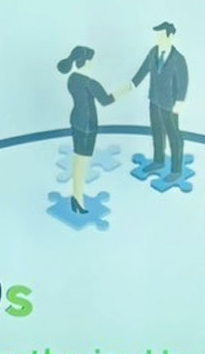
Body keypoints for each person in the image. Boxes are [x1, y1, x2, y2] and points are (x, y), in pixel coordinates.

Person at [118, 21, 189, 181]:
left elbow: (183, 83)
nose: (158, 39)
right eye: (157, 36)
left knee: (174, 135)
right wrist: (131, 85)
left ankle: (176, 170)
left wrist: (180, 103)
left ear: (170, 36)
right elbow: (142, 71)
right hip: (154, 100)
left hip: (170, 104)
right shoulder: (153, 52)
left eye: (161, 36)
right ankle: (158, 161)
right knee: (156, 131)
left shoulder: (178, 59)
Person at [57, 45, 113, 211]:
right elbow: (106, 100)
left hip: (76, 121)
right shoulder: (90, 83)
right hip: (88, 125)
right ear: (87, 62)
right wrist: (126, 89)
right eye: (93, 60)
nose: (95, 63)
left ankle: (77, 196)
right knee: (83, 161)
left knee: (78, 159)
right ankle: (77, 198)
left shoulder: (72, 79)